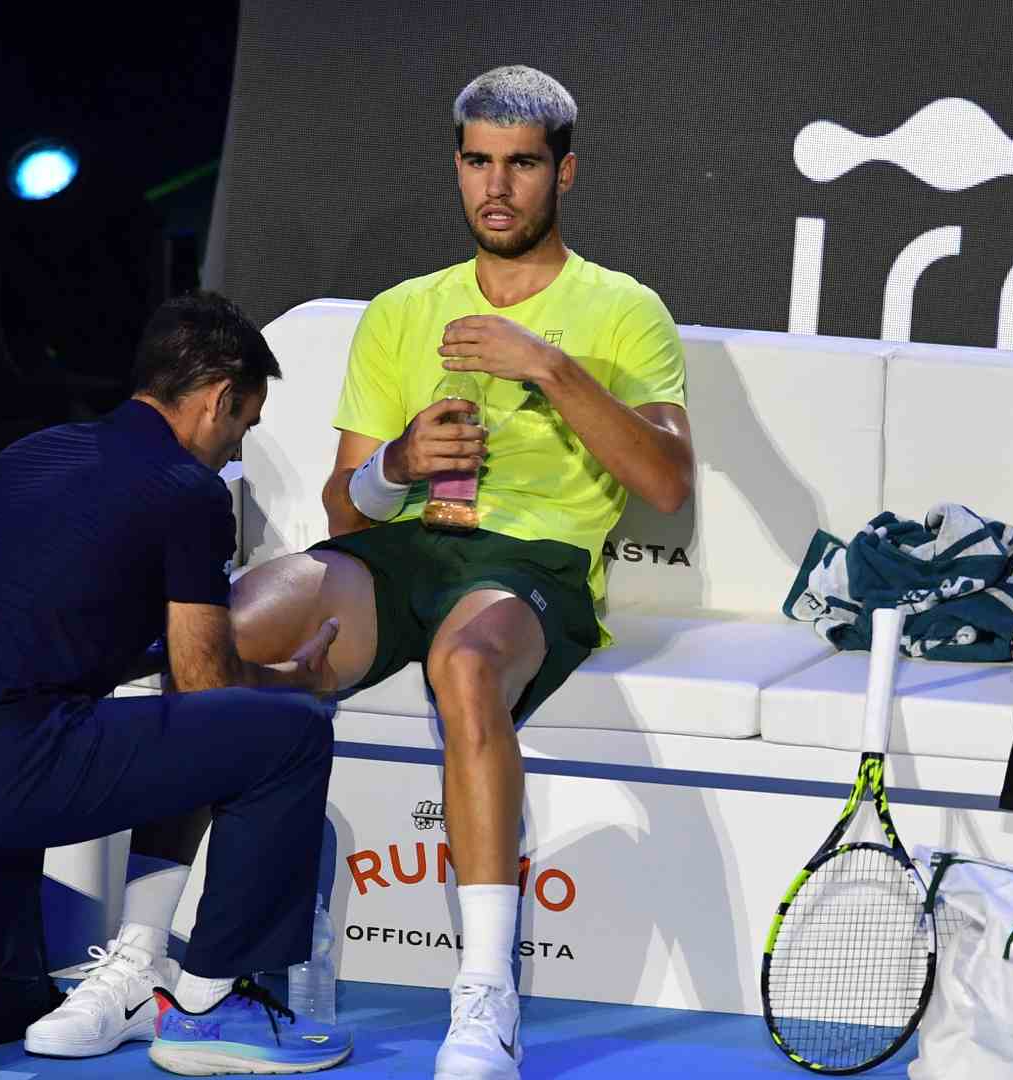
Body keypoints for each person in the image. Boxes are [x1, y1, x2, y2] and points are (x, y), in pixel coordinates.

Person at [229, 65, 693, 1080]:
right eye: (479, 161)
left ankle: (486, 998)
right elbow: (344, 511)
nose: (498, 186)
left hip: (533, 563)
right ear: (457, 166)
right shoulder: (401, 311)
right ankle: (178, 961)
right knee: (230, 632)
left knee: (467, 665)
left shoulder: (624, 311)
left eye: (522, 165)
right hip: (403, 549)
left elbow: (665, 482)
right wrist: (399, 463)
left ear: (563, 172)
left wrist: (552, 370)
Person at [0, 292, 353, 1079]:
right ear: (219, 398)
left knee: (6, 991)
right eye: (242, 425)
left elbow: (41, 622)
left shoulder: (30, 456)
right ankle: (218, 1009)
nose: (233, 449)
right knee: (289, 735)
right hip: (13, 764)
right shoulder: (189, 493)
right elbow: (204, 683)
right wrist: (289, 683)